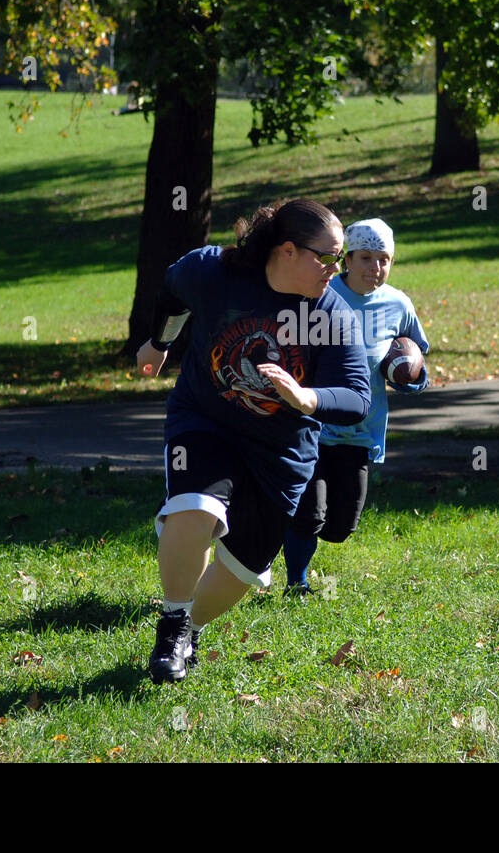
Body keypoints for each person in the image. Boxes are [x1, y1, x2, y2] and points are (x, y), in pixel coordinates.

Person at [135, 198, 371, 684]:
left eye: (339, 259)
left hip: (281, 452)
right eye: (326, 258)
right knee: (195, 508)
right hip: (206, 419)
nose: (335, 270)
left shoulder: (332, 313)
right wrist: (159, 343)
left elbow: (356, 395)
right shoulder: (215, 272)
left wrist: (307, 398)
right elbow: (173, 292)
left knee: (242, 568)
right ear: (287, 250)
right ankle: (173, 624)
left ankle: (191, 628)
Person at [281, 218, 429, 595]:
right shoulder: (320, 294)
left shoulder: (398, 304)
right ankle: (296, 582)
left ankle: (277, 525)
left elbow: (415, 358)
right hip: (311, 423)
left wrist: (413, 378)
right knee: (309, 514)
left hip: (360, 430)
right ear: (346, 258)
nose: (374, 268)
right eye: (365, 258)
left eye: (383, 259)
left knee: (340, 526)